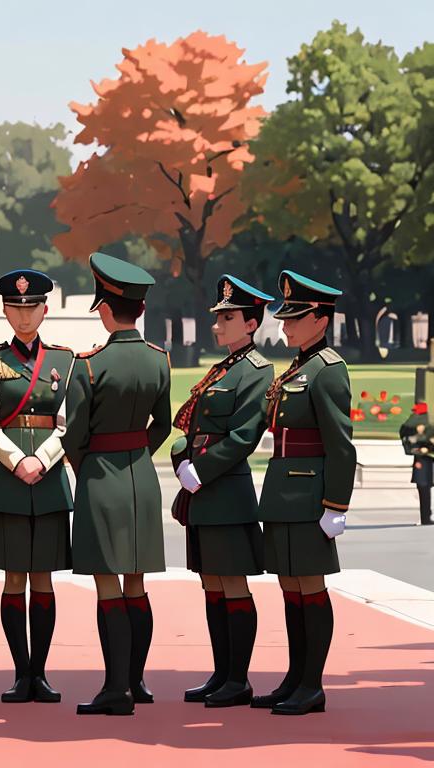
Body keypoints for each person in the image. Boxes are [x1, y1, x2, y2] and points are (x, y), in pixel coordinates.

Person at [64, 252, 171, 716]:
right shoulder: (159, 360)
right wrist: (136, 451)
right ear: (141, 310)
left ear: (104, 308)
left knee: (108, 588)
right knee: (137, 585)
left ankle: (115, 689)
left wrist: (89, 464)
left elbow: (74, 436)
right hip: (142, 478)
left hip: (101, 477)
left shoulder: (89, 365)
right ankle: (137, 681)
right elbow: (163, 426)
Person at [252, 270, 355, 716]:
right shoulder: (298, 368)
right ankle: (295, 677)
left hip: (311, 496)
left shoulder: (328, 370)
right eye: (285, 317)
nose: (285, 325)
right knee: (291, 590)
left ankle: (312, 684)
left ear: (320, 318)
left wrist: (336, 505)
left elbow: (340, 444)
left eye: (294, 318)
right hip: (283, 492)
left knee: (310, 589)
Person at [171, 276, 274, 707]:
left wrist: (201, 469)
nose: (218, 325)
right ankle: (221, 673)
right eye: (219, 317)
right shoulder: (224, 368)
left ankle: (238, 678)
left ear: (251, 323)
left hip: (226, 492)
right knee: (211, 584)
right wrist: (181, 458)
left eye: (228, 318)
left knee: (232, 585)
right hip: (204, 492)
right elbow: (191, 430)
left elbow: (244, 435)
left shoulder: (257, 371)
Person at [0, 269, 75, 704]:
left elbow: (68, 422)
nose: (23, 314)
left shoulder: (63, 360)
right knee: (15, 577)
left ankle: (42, 672)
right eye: (15, 306)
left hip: (49, 478)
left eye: (31, 305)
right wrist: (18, 460)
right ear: (4, 309)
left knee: (45, 578)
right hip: (11, 480)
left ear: (45, 309)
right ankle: (20, 673)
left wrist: (43, 458)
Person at [400, 401, 433, 526]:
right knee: (423, 487)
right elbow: (405, 434)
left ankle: (426, 517)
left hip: (424, 458)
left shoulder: (418, 421)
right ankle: (426, 517)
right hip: (422, 459)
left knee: (423, 487)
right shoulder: (413, 423)